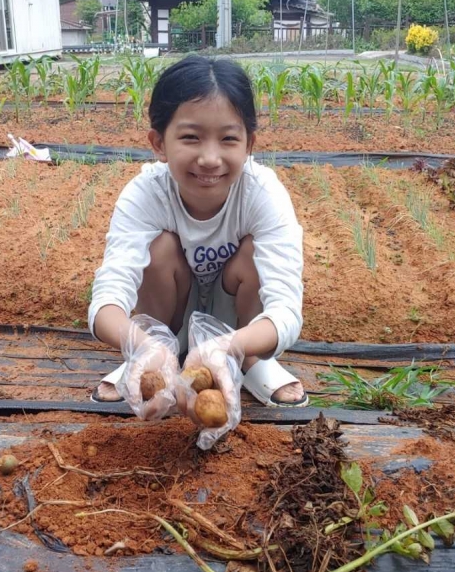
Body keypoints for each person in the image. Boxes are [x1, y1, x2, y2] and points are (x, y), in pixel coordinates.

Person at [89, 54, 307, 408]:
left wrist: (231, 344)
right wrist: (143, 345)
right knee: (159, 248)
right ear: (159, 143)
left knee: (253, 254)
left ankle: (251, 362)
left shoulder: (262, 193)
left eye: (228, 139)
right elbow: (108, 297)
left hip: (239, 325)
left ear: (249, 144)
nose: (210, 158)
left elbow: (286, 308)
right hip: (167, 319)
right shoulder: (146, 193)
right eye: (191, 137)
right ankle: (154, 358)